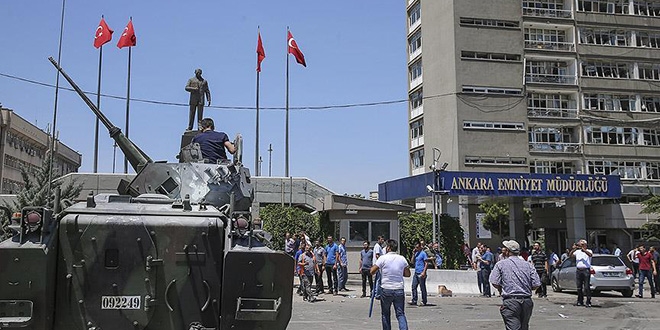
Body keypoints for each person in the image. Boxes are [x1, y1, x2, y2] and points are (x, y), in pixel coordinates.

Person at [489, 240, 541, 330]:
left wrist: (501, 289)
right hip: (526, 301)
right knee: (524, 327)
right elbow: (536, 283)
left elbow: (494, 281)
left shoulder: (501, 264)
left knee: (513, 327)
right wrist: (525, 288)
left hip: (511, 301)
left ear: (508, 251)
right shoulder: (528, 265)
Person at [370, 239, 411, 330]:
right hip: (399, 289)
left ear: (388, 248)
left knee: (385, 313)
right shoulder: (402, 258)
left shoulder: (383, 258)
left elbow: (372, 271)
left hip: (386, 289)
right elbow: (407, 274)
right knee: (400, 314)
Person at [570, 240, 593, 307]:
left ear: (585, 245)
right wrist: (574, 249)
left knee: (586, 287)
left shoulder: (589, 251)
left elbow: (590, 255)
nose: (581, 246)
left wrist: (584, 250)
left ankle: (588, 301)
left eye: (582, 244)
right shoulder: (577, 252)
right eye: (580, 244)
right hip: (578, 270)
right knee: (579, 287)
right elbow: (570, 255)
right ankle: (580, 300)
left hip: (586, 270)